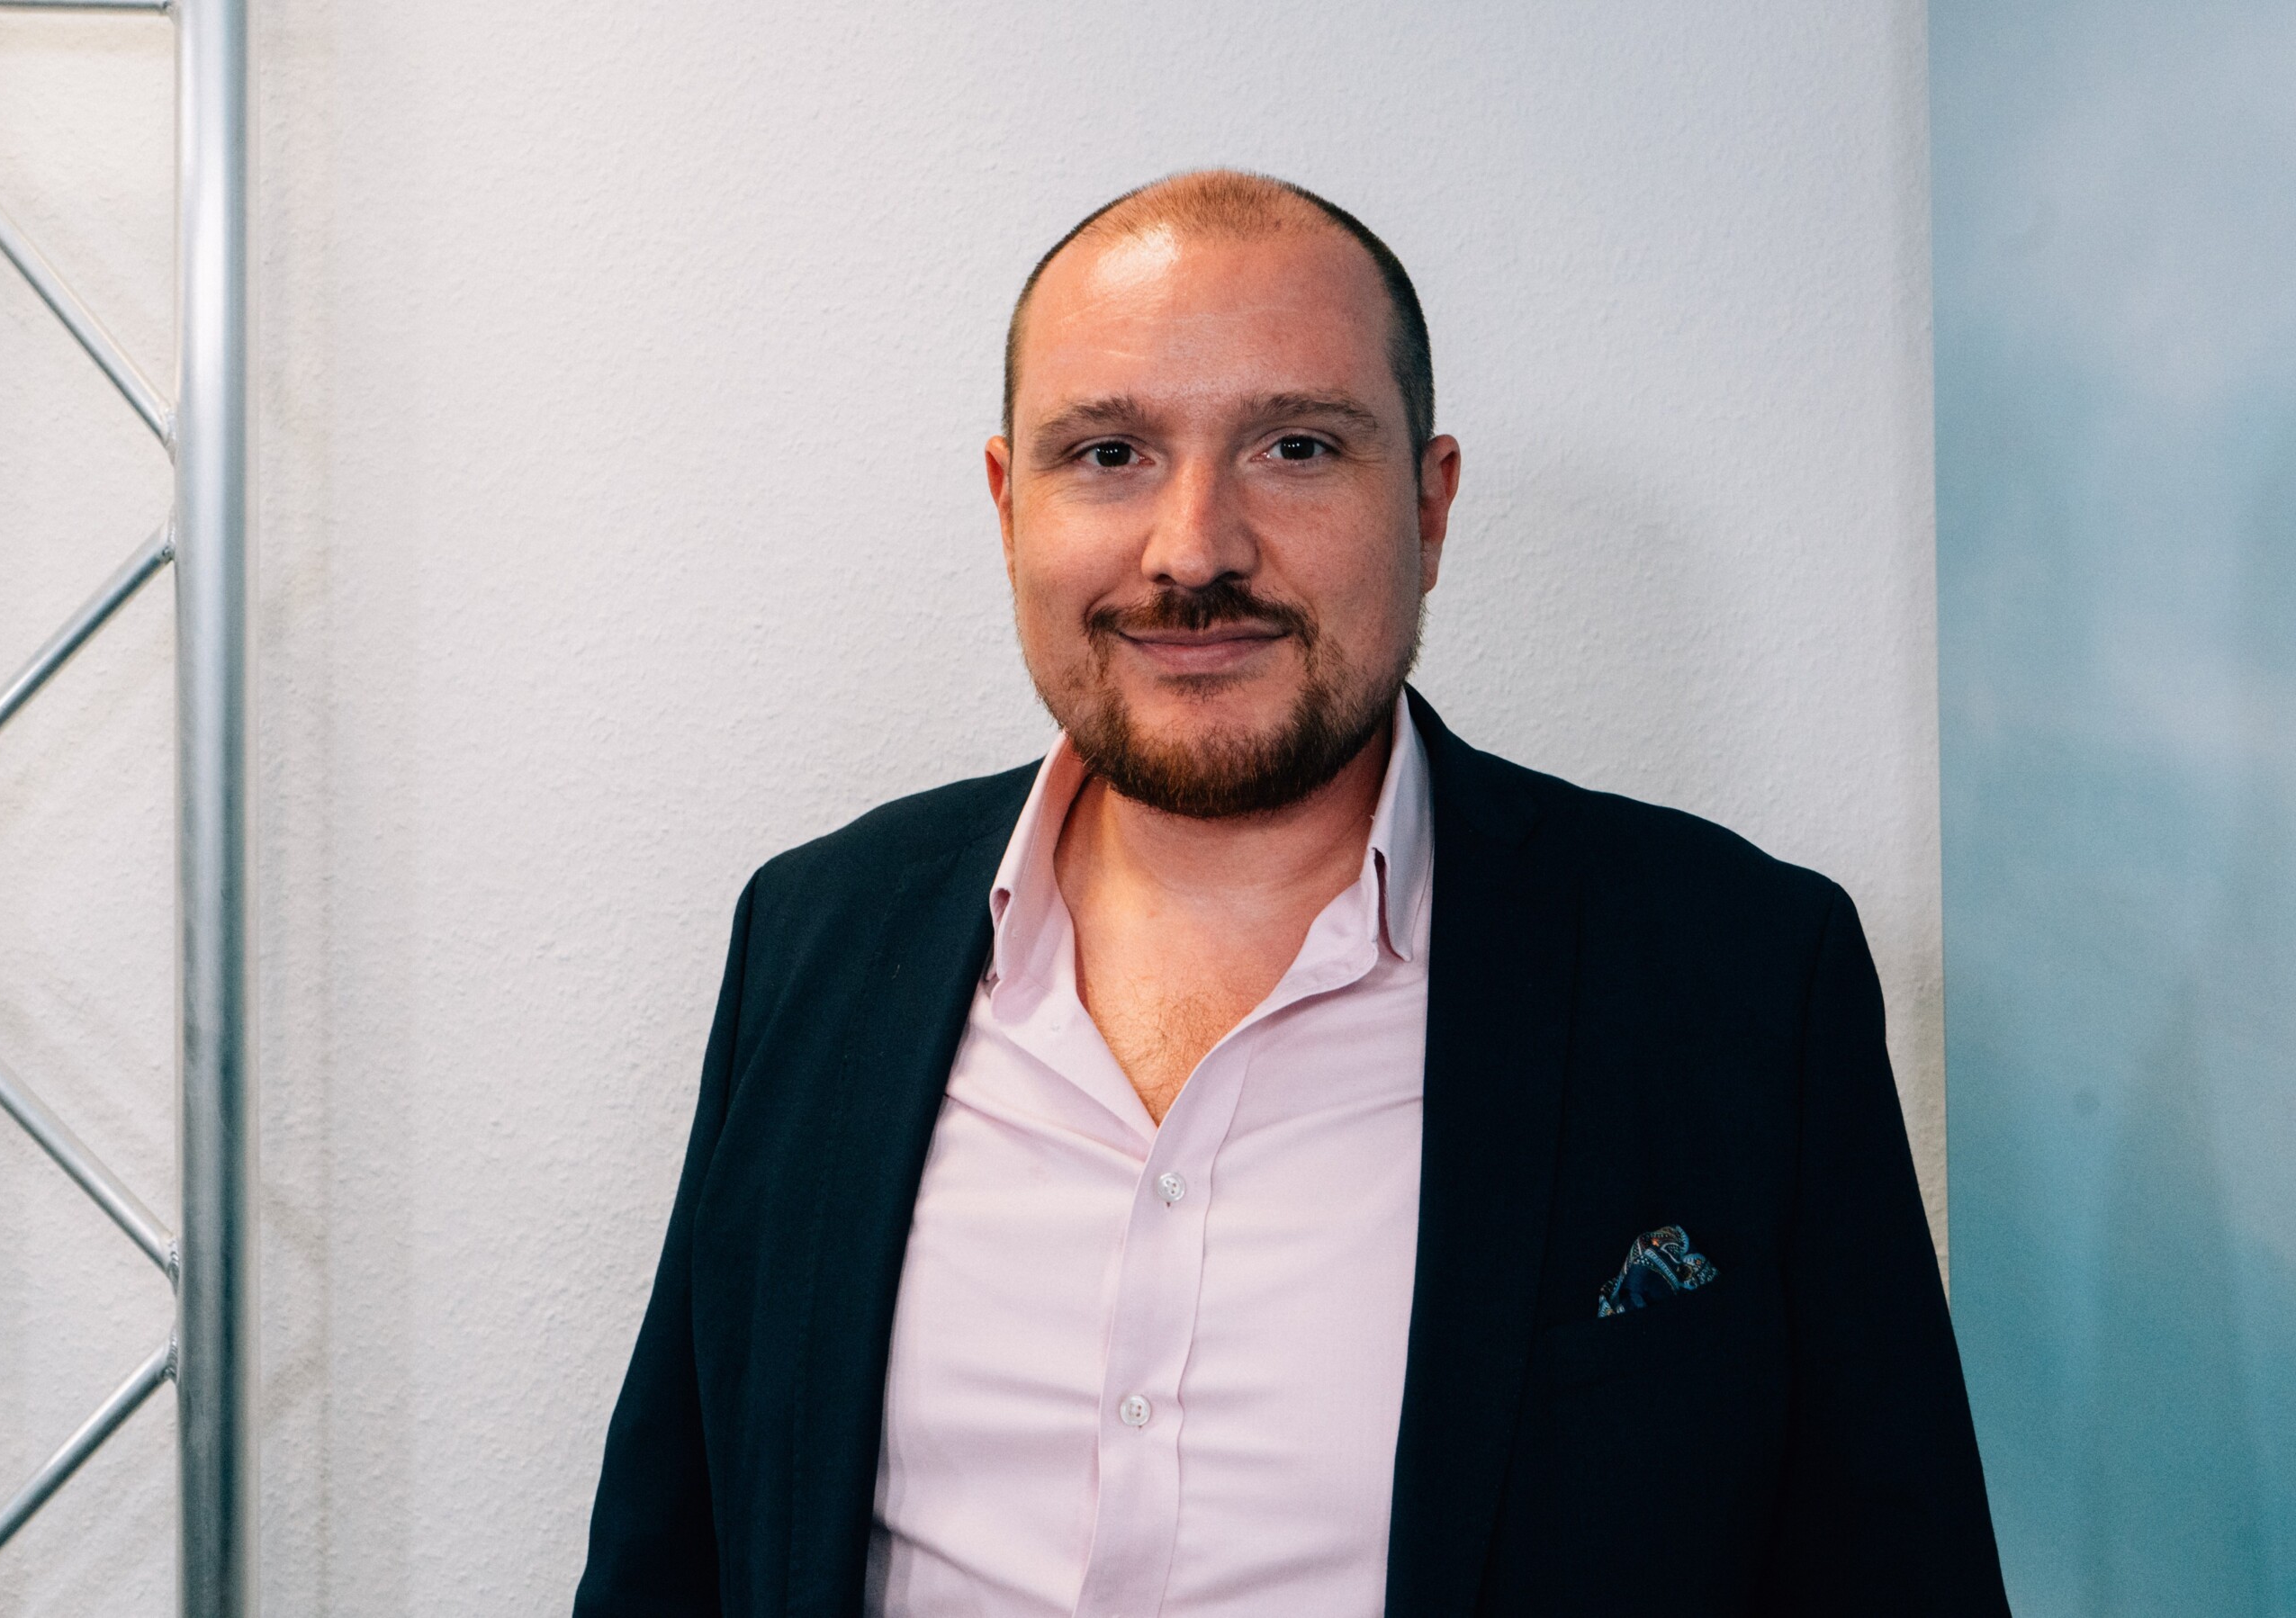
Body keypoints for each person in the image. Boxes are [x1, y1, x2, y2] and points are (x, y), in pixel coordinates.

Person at [573, 169, 2009, 1617]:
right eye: (1111, 452)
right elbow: (667, 1563)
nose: (1195, 548)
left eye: (1298, 445)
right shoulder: (817, 938)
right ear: (1010, 505)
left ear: (1431, 508)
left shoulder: (1740, 976)